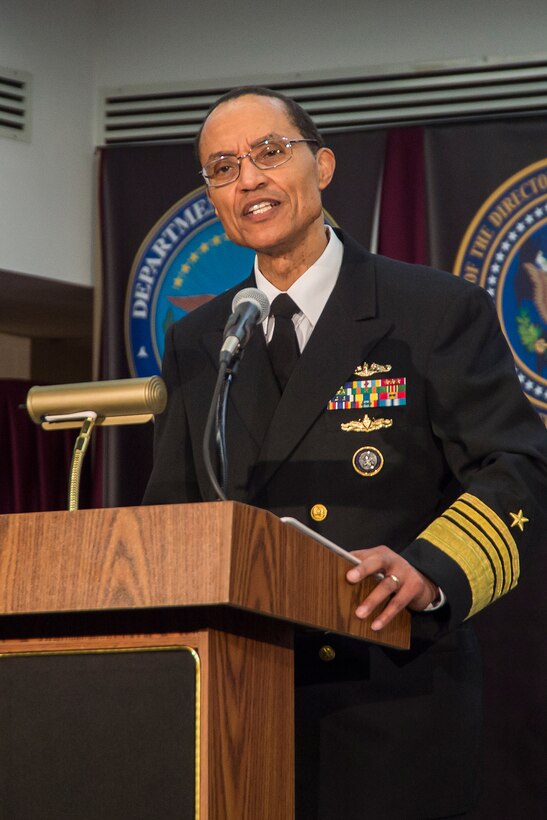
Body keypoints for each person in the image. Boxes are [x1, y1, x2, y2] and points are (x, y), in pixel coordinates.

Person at [143, 87, 547, 819]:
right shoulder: (198, 341)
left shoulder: (429, 309)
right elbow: (170, 513)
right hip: (237, 704)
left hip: (389, 692)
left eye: (269, 153)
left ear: (322, 165)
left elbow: (516, 468)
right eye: (223, 167)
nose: (248, 179)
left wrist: (429, 571)